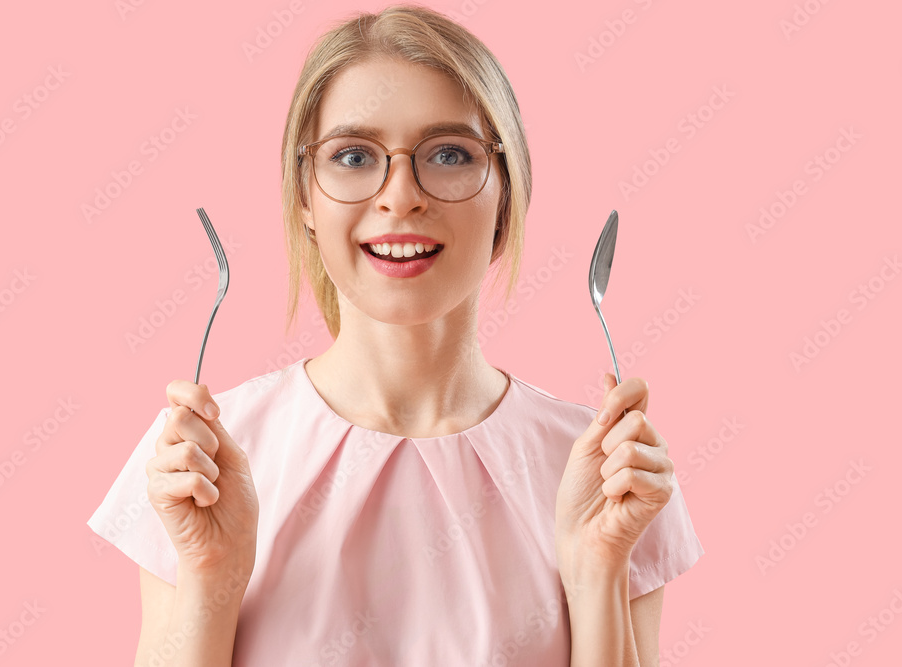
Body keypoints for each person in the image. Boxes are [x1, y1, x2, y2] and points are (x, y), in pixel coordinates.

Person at [87, 5, 704, 666]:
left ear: (505, 191)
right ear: (305, 196)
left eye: (448, 153)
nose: (401, 195)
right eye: (353, 155)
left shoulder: (606, 472)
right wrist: (212, 575)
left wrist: (595, 575)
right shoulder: (202, 460)